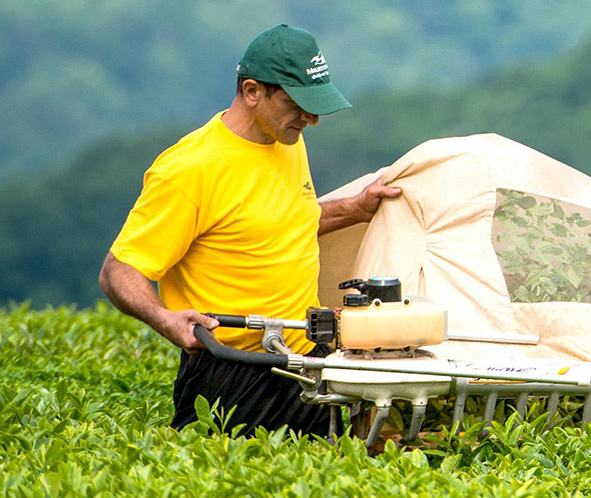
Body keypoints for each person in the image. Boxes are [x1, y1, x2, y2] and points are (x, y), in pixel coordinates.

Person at [99, 24, 402, 438]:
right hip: (231, 371)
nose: (311, 119)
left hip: (305, 363)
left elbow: (285, 224)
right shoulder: (189, 170)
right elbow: (119, 271)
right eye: (298, 103)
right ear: (253, 91)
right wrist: (163, 319)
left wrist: (355, 208)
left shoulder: (288, 142)